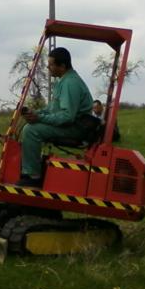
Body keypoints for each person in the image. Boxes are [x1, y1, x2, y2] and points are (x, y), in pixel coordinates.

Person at [18, 47, 93, 187]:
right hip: (71, 125)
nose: (48, 67)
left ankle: (33, 177)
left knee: (31, 130)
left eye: (51, 64)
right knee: (29, 126)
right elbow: (52, 109)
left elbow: (67, 116)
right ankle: (28, 170)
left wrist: (39, 119)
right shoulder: (64, 81)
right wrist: (36, 114)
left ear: (62, 66)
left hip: (75, 128)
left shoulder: (70, 83)